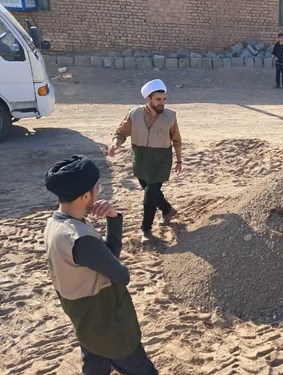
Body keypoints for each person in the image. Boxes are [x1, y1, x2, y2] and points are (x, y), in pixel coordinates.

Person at [43, 155, 158, 374]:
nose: (99, 192)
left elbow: (103, 256)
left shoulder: (56, 224)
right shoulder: (79, 237)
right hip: (109, 328)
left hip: (87, 325)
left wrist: (113, 218)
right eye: (97, 188)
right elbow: (121, 274)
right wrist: (112, 222)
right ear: (86, 195)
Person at [109, 79, 183, 244]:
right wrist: (115, 144)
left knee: (150, 194)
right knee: (152, 192)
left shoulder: (170, 116)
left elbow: (177, 140)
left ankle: (146, 230)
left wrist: (179, 161)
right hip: (141, 160)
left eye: (164, 99)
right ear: (148, 99)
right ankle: (167, 210)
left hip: (161, 161)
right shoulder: (134, 114)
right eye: (158, 99)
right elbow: (121, 133)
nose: (162, 103)